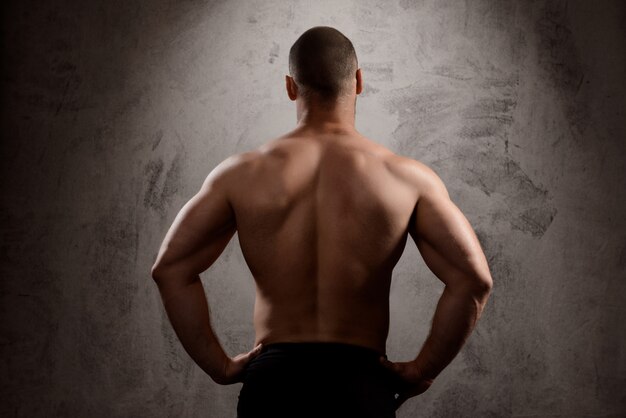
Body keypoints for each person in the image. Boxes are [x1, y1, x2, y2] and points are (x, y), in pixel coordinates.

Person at [151, 26, 493, 417]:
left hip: (274, 386)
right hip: (359, 385)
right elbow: (474, 279)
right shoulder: (407, 178)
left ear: (290, 87)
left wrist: (220, 366)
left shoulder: (239, 175)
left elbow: (170, 268)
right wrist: (422, 370)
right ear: (359, 81)